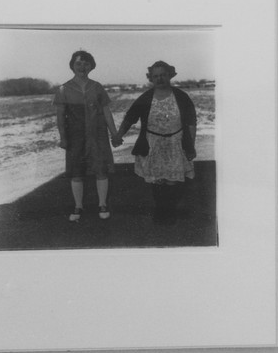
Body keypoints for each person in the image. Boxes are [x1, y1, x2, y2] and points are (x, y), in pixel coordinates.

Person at [113, 61, 199, 223]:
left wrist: (191, 145)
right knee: (158, 180)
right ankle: (161, 210)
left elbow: (191, 123)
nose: (159, 79)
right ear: (151, 78)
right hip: (153, 145)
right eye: (156, 76)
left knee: (173, 181)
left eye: (163, 75)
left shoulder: (181, 97)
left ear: (170, 76)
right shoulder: (145, 98)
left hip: (176, 144)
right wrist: (119, 135)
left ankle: (170, 209)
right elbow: (130, 118)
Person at [52, 49, 115, 221]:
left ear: (91, 66)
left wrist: (114, 134)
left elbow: (106, 112)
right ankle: (78, 206)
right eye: (78, 63)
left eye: (86, 63)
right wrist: (63, 137)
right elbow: (60, 117)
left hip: (98, 136)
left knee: (101, 169)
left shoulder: (97, 87)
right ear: (72, 66)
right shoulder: (64, 89)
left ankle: (102, 204)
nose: (82, 66)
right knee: (76, 171)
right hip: (75, 137)